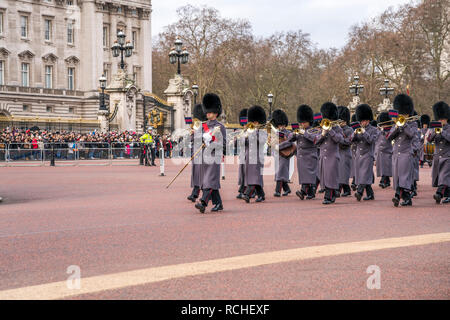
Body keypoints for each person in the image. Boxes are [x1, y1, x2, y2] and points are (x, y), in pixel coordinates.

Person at [194, 93, 227, 213]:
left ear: (216, 112)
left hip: (214, 157)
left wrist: (212, 143)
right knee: (208, 180)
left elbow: (223, 144)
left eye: (210, 112)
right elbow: (196, 141)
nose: (208, 114)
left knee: (209, 180)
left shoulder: (220, 127)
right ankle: (218, 204)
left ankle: (203, 202)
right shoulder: (203, 126)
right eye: (207, 112)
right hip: (204, 157)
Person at [387, 94, 417, 207]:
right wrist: (397, 126)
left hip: (406, 153)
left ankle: (396, 196)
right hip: (396, 154)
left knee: (403, 177)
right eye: (401, 114)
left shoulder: (413, 124)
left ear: (408, 113)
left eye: (403, 114)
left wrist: (404, 125)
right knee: (398, 177)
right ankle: (407, 198)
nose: (402, 116)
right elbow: (389, 137)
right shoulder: (397, 124)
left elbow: (412, 135)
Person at [314, 102, 344, 205]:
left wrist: (330, 130)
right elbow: (316, 142)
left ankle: (328, 196)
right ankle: (331, 195)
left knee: (330, 177)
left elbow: (339, 139)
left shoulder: (337, 128)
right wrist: (322, 134)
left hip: (332, 156)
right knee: (325, 177)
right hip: (323, 156)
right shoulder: (322, 128)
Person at [289, 104, 319, 200]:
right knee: (304, 175)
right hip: (301, 156)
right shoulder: (300, 130)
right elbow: (289, 139)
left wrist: (304, 133)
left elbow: (315, 139)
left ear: (309, 122)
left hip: (310, 156)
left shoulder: (313, 130)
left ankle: (303, 191)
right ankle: (311, 193)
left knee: (308, 175)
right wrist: (294, 134)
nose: (302, 124)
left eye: (304, 122)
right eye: (301, 122)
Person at [351, 104, 378, 201]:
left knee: (364, 174)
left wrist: (364, 132)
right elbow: (352, 141)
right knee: (362, 175)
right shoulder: (358, 129)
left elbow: (371, 140)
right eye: (361, 121)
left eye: (364, 121)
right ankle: (370, 194)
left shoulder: (374, 130)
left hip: (367, 155)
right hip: (359, 155)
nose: (362, 122)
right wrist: (354, 134)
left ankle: (359, 192)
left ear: (368, 120)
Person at [242, 105, 267, 203]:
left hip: (257, 157)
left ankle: (247, 194)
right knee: (254, 177)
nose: (253, 124)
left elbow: (261, 141)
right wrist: (245, 136)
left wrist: (253, 133)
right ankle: (261, 195)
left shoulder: (262, 132)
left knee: (255, 176)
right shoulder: (248, 131)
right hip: (249, 157)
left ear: (259, 122)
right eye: (252, 122)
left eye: (255, 122)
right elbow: (243, 144)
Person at [427, 101, 450, 204]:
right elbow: (429, 140)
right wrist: (433, 132)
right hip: (437, 157)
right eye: (439, 118)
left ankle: (439, 194)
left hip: (447, 156)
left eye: (442, 119)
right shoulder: (434, 127)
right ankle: (448, 195)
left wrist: (442, 132)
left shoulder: (448, 128)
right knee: (441, 177)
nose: (441, 120)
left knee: (444, 176)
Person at [187, 104, 207, 202]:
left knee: (202, 174)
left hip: (203, 153)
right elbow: (193, 140)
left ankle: (202, 193)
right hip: (196, 153)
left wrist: (197, 134)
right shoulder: (196, 125)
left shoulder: (206, 126)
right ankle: (195, 193)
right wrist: (192, 135)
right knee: (196, 173)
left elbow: (207, 137)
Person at [271, 109, 292, 197]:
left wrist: (279, 146)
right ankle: (287, 189)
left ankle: (277, 191)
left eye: (283, 125)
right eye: (279, 125)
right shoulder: (275, 133)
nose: (281, 127)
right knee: (279, 172)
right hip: (277, 155)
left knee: (280, 172)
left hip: (285, 155)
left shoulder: (288, 133)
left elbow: (289, 142)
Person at [337, 106, 353, 197]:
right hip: (338, 152)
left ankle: (339, 190)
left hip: (345, 153)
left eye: (341, 121)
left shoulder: (349, 129)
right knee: (340, 173)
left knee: (343, 173)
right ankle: (346, 190)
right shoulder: (337, 129)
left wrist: (340, 137)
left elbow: (348, 142)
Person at [375, 112, 393, 188]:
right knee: (381, 167)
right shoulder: (379, 130)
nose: (383, 126)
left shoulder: (391, 130)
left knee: (386, 167)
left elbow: (389, 137)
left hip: (388, 150)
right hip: (380, 151)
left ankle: (384, 180)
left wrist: (383, 131)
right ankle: (386, 180)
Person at [236, 108, 248, 199]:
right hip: (242, 155)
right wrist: (236, 140)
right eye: (243, 124)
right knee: (242, 173)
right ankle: (243, 188)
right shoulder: (242, 132)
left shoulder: (251, 131)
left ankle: (246, 190)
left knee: (247, 172)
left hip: (250, 155)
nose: (244, 126)